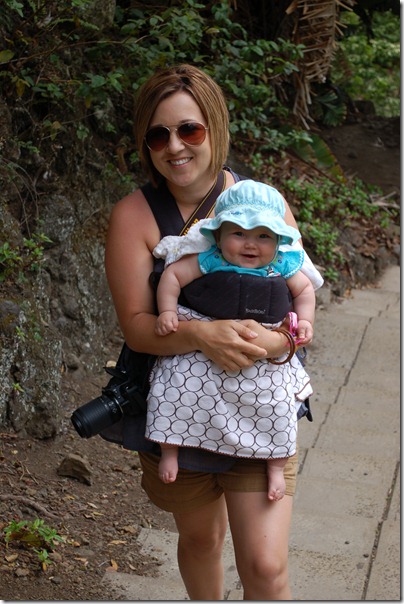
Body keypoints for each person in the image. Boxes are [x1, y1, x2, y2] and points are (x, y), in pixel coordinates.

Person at [105, 63, 318, 601]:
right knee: (202, 540)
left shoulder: (265, 204)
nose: (175, 146)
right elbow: (138, 329)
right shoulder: (135, 216)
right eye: (159, 135)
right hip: (183, 409)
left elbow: (300, 302)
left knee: (265, 567)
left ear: (215, 128)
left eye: (189, 129)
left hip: (257, 407)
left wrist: (278, 343)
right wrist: (204, 335)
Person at [149, 180, 315, 501]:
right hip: (204, 346)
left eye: (263, 236)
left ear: (278, 240)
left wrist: (305, 320)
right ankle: (170, 449)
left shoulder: (282, 264)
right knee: (174, 384)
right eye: (238, 233)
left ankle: (275, 465)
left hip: (264, 352)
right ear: (219, 235)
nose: (251, 244)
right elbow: (173, 276)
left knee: (278, 403)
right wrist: (167, 311)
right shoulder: (211, 259)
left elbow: (305, 290)